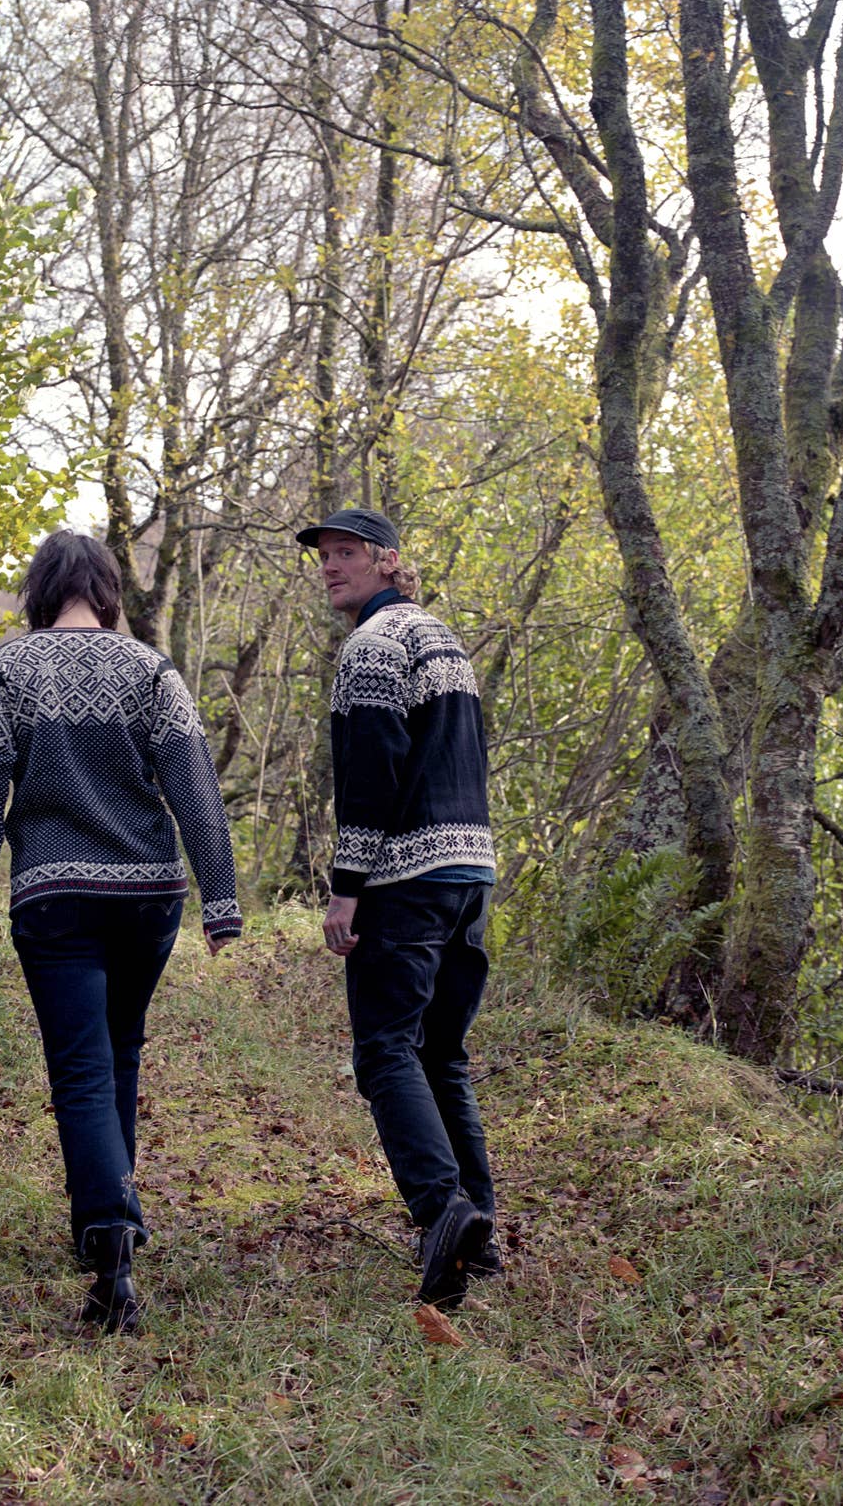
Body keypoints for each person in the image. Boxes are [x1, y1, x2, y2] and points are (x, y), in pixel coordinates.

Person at [0, 530, 241, 1332]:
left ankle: (107, 1240)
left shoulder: (8, 670)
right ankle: (119, 1216)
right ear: (109, 590)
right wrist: (220, 903)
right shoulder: (151, 669)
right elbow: (196, 790)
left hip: (54, 896)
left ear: (40, 590)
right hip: (149, 895)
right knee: (119, 1052)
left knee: (81, 1068)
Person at [296, 506, 503, 1308]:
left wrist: (347, 886)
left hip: (406, 880)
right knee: (440, 1054)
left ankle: (441, 1210)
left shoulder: (371, 648)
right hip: (469, 874)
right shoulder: (442, 637)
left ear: (387, 561)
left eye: (346, 553)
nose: (330, 567)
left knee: (385, 1052)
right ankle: (478, 1229)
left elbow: (371, 776)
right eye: (323, 556)